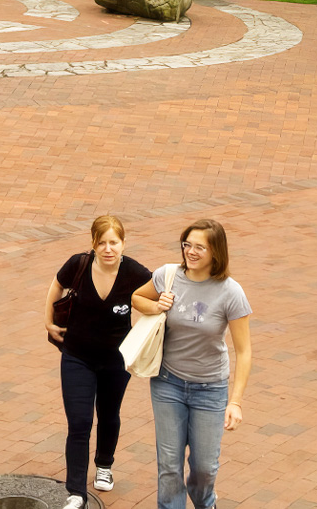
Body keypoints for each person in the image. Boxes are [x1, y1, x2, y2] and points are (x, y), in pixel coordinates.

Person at [135, 220, 253, 509]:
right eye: (187, 244)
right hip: (168, 383)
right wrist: (156, 305)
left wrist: (235, 401)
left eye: (200, 247)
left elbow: (244, 350)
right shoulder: (168, 275)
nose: (191, 251)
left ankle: (205, 501)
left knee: (204, 468)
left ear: (216, 252)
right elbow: (137, 297)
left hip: (210, 389)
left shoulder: (230, 291)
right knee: (170, 466)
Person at [46, 216, 152, 509]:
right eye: (102, 242)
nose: (108, 249)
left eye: (114, 242)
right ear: (93, 244)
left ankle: (104, 464)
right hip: (77, 356)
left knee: (109, 414)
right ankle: (76, 493)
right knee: (79, 422)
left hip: (116, 361)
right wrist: (48, 322)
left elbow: (159, 296)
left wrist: (153, 308)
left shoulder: (134, 272)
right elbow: (56, 287)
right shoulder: (77, 265)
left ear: (123, 244)